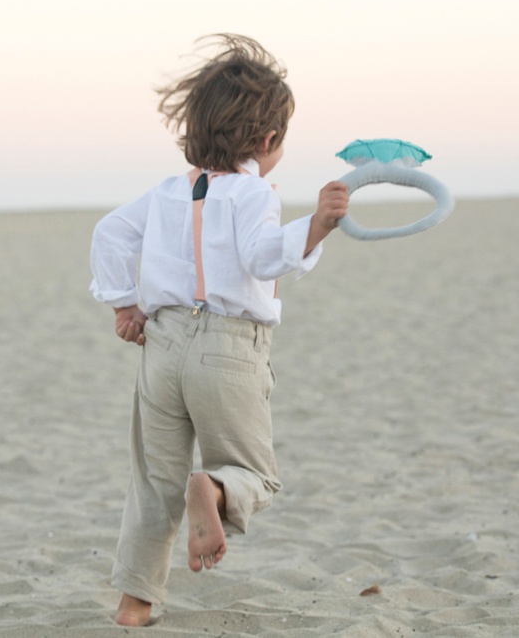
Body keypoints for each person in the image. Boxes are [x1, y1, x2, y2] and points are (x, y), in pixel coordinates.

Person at [89, 33, 349, 627]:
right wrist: (317, 225)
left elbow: (109, 234)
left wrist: (124, 306)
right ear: (268, 140)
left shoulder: (167, 192)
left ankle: (134, 606)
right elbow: (262, 257)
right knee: (254, 474)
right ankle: (215, 489)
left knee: (153, 482)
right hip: (229, 349)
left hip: (163, 345)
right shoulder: (253, 192)